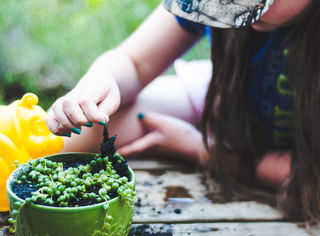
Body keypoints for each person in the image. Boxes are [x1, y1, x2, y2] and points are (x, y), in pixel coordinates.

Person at [45, 0, 320, 224]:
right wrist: (101, 82)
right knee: (88, 128)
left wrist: (206, 152)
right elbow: (134, 61)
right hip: (227, 103)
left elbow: (312, 175)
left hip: (300, 153)